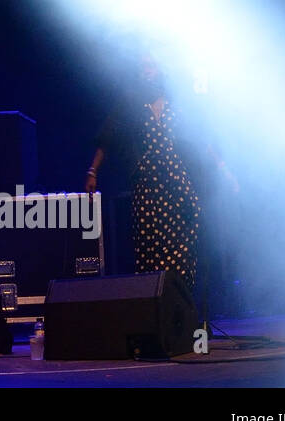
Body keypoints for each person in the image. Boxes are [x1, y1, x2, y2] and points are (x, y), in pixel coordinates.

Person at [84, 54, 234, 293]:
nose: (147, 70)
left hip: (177, 179)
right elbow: (108, 137)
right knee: (151, 245)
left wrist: (224, 170)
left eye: (151, 66)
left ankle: (181, 299)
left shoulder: (175, 103)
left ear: (161, 70)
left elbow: (200, 138)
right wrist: (93, 171)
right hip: (148, 182)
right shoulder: (131, 103)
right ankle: (156, 300)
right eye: (142, 67)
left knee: (186, 234)